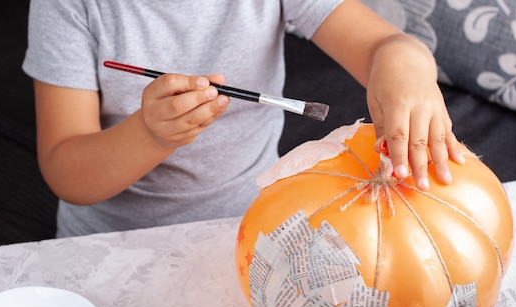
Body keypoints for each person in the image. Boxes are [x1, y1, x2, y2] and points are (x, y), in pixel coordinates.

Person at [23, 0, 465, 238]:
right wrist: (149, 134)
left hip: (251, 225)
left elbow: (382, 45)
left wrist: (405, 63)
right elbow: (68, 174)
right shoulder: (66, 7)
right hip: (112, 242)